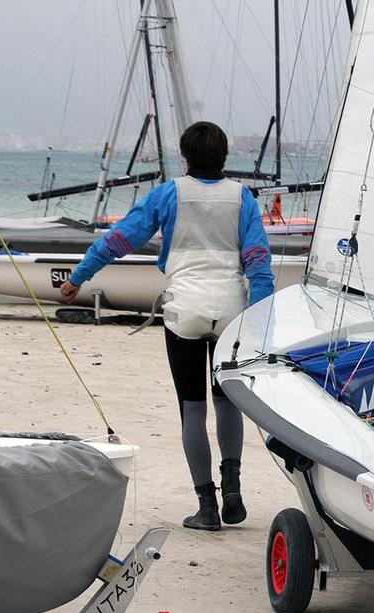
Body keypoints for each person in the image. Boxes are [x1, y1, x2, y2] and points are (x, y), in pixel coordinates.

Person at [61, 121, 275, 530]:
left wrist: (78, 278)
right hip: (231, 310)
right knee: (227, 402)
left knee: (191, 408)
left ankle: (206, 508)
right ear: (225, 157)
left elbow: (118, 240)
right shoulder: (243, 197)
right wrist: (259, 317)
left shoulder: (169, 194)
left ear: (186, 157)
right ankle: (233, 491)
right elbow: (258, 264)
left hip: (185, 311)